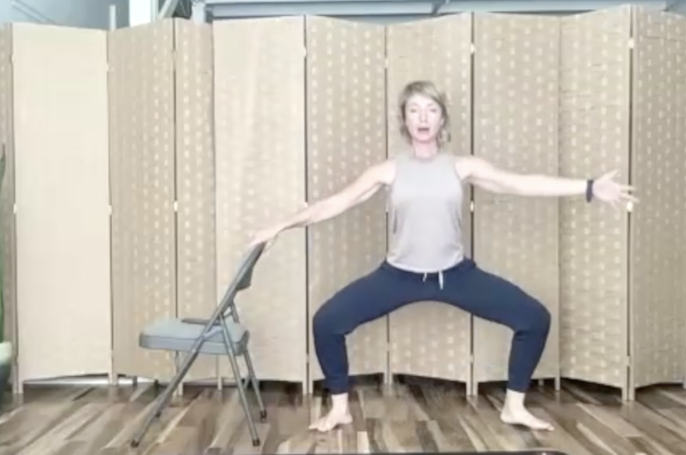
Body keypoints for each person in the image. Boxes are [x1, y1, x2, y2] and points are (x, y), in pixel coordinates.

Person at [248, 80, 636, 433]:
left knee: (534, 317)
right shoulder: (388, 170)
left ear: (442, 118)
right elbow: (333, 204)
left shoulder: (461, 166)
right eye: (414, 109)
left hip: (455, 275)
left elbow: (521, 182)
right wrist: (279, 226)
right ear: (404, 119)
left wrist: (588, 187)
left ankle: (514, 406)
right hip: (398, 276)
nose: (423, 117)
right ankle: (339, 409)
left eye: (431, 109)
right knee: (327, 322)